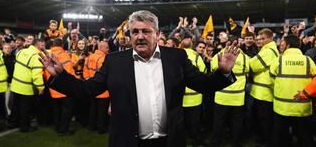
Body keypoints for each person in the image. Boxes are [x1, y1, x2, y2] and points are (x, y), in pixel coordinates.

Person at [41, 10, 238, 147]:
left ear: (157, 34)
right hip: (128, 142)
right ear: (130, 35)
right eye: (135, 31)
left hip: (169, 142)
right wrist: (61, 76)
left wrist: (223, 73)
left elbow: (203, 84)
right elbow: (88, 90)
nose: (140, 36)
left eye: (146, 31)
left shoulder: (176, 57)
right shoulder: (114, 61)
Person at [269, 35, 316, 147]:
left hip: (282, 107)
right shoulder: (308, 60)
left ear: (288, 45)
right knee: (304, 135)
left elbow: (272, 80)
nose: (281, 45)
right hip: (302, 106)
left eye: (283, 43)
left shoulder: (278, 60)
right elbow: (315, 79)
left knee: (280, 136)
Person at [249, 28, 279, 147]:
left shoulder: (269, 51)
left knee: (265, 119)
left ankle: (267, 141)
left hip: (264, 92)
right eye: (259, 39)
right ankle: (264, 139)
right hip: (262, 90)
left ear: (270, 38)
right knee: (263, 118)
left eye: (263, 38)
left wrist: (246, 59)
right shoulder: (267, 49)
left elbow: (254, 65)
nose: (260, 41)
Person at [9, 39, 45, 132]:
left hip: (16, 83)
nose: (43, 47)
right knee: (25, 108)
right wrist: (41, 87)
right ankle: (25, 127)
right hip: (26, 86)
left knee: (16, 106)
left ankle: (13, 123)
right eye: (42, 45)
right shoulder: (36, 56)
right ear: (38, 45)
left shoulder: (21, 51)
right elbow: (36, 74)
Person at [46, 38, 76, 136]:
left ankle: (58, 127)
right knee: (66, 110)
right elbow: (69, 71)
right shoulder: (64, 55)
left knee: (56, 109)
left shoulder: (48, 54)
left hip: (53, 86)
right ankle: (63, 130)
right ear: (62, 45)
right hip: (65, 88)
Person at [84, 41, 110, 134]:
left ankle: (91, 126)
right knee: (102, 111)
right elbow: (105, 76)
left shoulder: (89, 57)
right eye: (107, 48)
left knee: (93, 108)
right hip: (102, 90)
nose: (108, 49)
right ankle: (101, 128)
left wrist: (88, 81)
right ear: (101, 48)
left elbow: (85, 70)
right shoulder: (103, 58)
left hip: (92, 87)